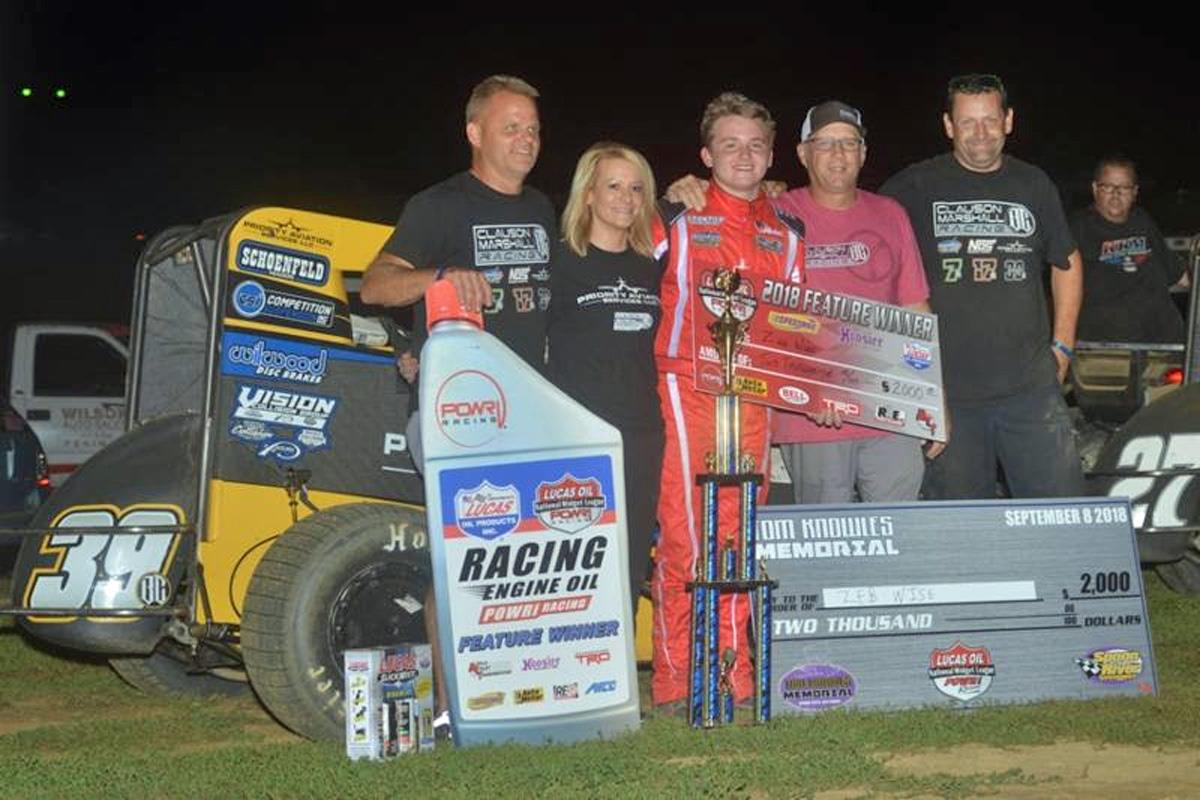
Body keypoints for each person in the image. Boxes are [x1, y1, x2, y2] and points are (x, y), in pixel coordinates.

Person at [359, 73, 555, 736]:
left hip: (534, 416)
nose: (525, 140)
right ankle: (450, 711)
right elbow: (375, 286)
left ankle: (520, 696)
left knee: (524, 565)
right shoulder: (439, 205)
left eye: (533, 129)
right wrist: (440, 277)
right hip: (461, 420)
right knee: (463, 562)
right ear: (474, 132)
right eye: (510, 127)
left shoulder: (544, 209)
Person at [667, 100, 940, 503]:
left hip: (889, 412)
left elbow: (915, 309)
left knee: (900, 527)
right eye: (824, 143)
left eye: (849, 143)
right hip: (811, 419)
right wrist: (685, 189)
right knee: (825, 534)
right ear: (802, 153)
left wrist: (934, 401)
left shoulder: (891, 213)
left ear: (864, 152)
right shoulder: (775, 212)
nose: (838, 154)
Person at [652, 92, 805, 711]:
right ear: (706, 154)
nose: (744, 156)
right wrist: (665, 195)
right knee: (687, 533)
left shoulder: (786, 231)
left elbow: (798, 327)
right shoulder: (675, 215)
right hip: (686, 390)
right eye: (730, 144)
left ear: (770, 155)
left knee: (740, 536)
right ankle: (677, 679)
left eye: (755, 145)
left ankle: (734, 672)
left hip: (752, 398)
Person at [880, 73, 1084, 500]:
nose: (980, 132)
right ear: (948, 125)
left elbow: (1066, 262)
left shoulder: (1033, 184)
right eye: (968, 122)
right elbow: (853, 219)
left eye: (990, 120)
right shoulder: (915, 186)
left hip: (1032, 393)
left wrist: (1063, 346)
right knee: (962, 528)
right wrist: (774, 198)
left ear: (1008, 120)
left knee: (1060, 514)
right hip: (949, 397)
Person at [547, 142, 664, 616]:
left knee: (630, 558)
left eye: (636, 188)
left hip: (641, 434)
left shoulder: (653, 266)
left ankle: (620, 658)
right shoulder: (558, 262)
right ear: (589, 194)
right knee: (576, 558)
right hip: (578, 436)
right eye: (613, 186)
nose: (626, 198)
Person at [1071, 155, 1189, 344]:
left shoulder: (1142, 221)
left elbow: (1181, 276)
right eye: (1108, 186)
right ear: (1094, 189)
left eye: (1124, 188)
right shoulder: (1077, 228)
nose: (1116, 194)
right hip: (1104, 347)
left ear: (1135, 192)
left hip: (1165, 343)